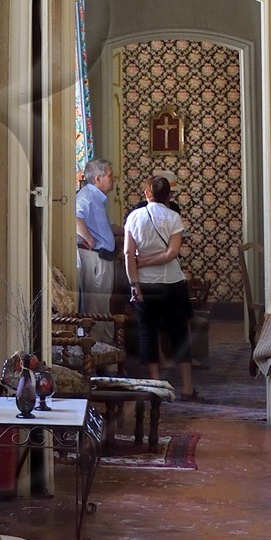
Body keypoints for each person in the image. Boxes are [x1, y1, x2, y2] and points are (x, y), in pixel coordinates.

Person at [125, 173, 195, 401]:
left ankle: (156, 385)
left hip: (145, 283)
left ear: (147, 194)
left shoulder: (134, 217)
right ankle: (186, 387)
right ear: (169, 195)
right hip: (172, 281)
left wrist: (135, 281)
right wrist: (155, 259)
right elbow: (172, 253)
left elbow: (128, 253)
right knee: (179, 333)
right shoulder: (174, 217)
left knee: (147, 331)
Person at [74, 158, 116, 315]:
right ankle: (97, 340)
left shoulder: (97, 198)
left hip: (103, 258)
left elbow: (109, 227)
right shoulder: (87, 196)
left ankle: (104, 339)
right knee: (96, 309)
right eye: (110, 176)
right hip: (95, 258)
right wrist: (90, 239)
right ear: (98, 178)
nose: (113, 179)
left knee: (103, 306)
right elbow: (75, 217)